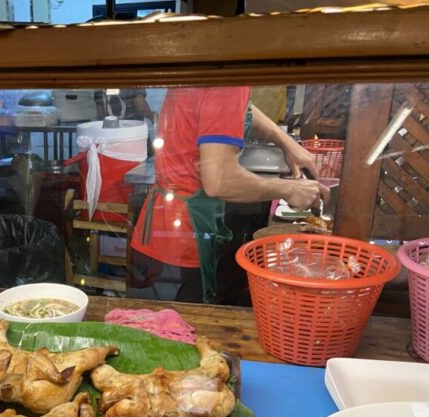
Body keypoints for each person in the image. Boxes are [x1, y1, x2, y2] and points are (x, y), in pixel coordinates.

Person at [128, 86, 330, 303]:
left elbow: (240, 107)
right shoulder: (227, 83)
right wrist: (289, 189)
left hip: (166, 230)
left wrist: (285, 142)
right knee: (186, 327)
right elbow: (220, 180)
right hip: (188, 239)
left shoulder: (223, 74)